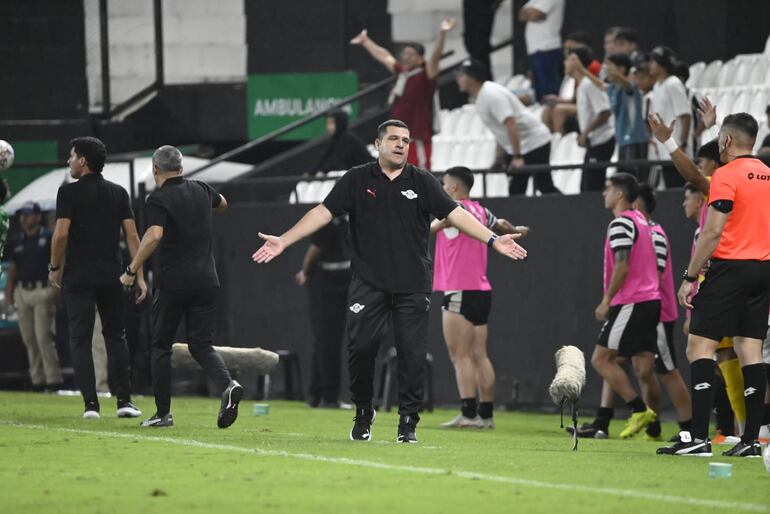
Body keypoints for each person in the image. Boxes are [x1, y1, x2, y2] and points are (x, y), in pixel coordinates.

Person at [252, 120, 527, 443]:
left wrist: (493, 239)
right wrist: (284, 240)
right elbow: (323, 212)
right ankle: (363, 411)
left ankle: (408, 422)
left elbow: (455, 213)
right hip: (368, 283)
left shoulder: (422, 181)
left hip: (412, 285)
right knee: (361, 347)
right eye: (394, 139)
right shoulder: (357, 178)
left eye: (406, 140)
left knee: (411, 355)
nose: (400, 144)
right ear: (378, 144)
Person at [657, 113, 770, 458]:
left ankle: (697, 439)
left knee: (699, 347)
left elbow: (712, 231)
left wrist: (689, 277)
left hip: (730, 268)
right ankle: (752, 440)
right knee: (750, 350)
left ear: (727, 140)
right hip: (763, 270)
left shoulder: (726, 175)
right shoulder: (768, 174)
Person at [120, 145, 242, 429]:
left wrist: (131, 269)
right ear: (181, 167)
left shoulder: (158, 198)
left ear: (155, 169)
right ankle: (228, 384)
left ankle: (163, 413)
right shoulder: (201, 189)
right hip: (207, 280)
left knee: (161, 345)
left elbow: (154, 235)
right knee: (201, 345)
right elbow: (223, 203)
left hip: (175, 282)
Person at [49, 136, 144, 419]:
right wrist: (138, 274)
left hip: (78, 277)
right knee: (116, 336)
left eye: (72, 156)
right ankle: (124, 401)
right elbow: (132, 237)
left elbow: (61, 234)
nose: (69, 161)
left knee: (80, 339)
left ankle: (91, 405)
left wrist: (55, 267)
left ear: (83, 161)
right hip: (112, 276)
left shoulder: (68, 193)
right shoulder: (119, 193)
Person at [431, 166, 529, 429]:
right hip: (481, 290)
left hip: (458, 290)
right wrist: (519, 229)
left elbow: (430, 229)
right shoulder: (481, 211)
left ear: (453, 188)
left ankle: (468, 414)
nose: (441, 189)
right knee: (479, 355)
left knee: (460, 356)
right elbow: (503, 225)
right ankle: (486, 416)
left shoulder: (453, 210)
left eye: (444, 185)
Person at [591, 173, 659, 439]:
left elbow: (622, 266)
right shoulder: (641, 220)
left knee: (601, 359)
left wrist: (606, 300)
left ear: (619, 194)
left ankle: (639, 410)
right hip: (650, 300)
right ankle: (653, 428)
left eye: (607, 189)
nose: (603, 193)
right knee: (643, 366)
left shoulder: (621, 223)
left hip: (633, 301)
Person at [350, 19, 457, 170]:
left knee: (420, 172)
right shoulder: (403, 74)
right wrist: (366, 41)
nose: (406, 57)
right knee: (401, 173)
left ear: (420, 58)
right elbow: (385, 57)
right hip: (399, 136)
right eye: (404, 54)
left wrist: (442, 34)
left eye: (410, 54)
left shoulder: (426, 75)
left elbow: (435, 57)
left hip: (417, 136)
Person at [455, 59, 560, 196]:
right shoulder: (481, 96)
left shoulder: (491, 94)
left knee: (543, 186)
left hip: (534, 143)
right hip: (520, 146)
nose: (458, 80)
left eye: (461, 75)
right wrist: (500, 158)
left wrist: (517, 156)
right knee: (516, 190)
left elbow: (510, 123)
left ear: (472, 77)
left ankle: (569, 208)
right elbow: (501, 130)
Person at [295, 216, 353, 409]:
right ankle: (327, 396)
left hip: (341, 284)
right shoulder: (326, 222)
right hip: (324, 287)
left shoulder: (346, 222)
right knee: (326, 341)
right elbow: (314, 251)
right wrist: (305, 273)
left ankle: (318, 394)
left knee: (328, 341)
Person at [6, 201, 63, 391]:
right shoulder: (18, 240)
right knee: (29, 338)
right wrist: (10, 295)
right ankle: (37, 379)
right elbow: (13, 269)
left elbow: (58, 261)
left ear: (38, 217)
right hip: (22, 291)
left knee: (43, 336)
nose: (24, 218)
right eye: (23, 215)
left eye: (29, 215)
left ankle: (53, 378)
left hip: (42, 290)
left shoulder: (47, 237)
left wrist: (55, 288)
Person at [567, 52, 648, 179]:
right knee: (624, 179)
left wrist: (615, 73)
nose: (605, 69)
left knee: (635, 179)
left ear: (621, 69)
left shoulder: (630, 87)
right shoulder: (614, 89)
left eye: (610, 66)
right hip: (622, 141)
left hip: (634, 139)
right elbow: (600, 84)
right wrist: (581, 70)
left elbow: (627, 85)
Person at [564, 47, 615, 192]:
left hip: (602, 142)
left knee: (592, 189)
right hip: (594, 143)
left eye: (567, 59)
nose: (564, 63)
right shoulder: (582, 86)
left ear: (575, 61)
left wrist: (585, 132)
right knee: (585, 188)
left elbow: (605, 112)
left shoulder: (589, 84)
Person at [648, 46, 691, 188]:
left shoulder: (673, 83)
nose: (650, 65)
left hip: (677, 149)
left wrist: (683, 144)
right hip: (665, 151)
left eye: (653, 62)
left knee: (678, 189)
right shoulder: (657, 86)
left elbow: (685, 116)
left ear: (662, 65)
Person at [518, 0, 565, 102]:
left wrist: (531, 13)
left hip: (547, 49)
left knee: (548, 93)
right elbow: (521, 14)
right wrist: (531, 13)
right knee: (538, 93)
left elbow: (535, 14)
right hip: (535, 50)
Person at [462, 0, 500, 80]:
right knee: (472, 45)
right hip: (473, 7)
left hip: (483, 6)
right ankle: (483, 81)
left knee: (479, 48)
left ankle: (484, 81)